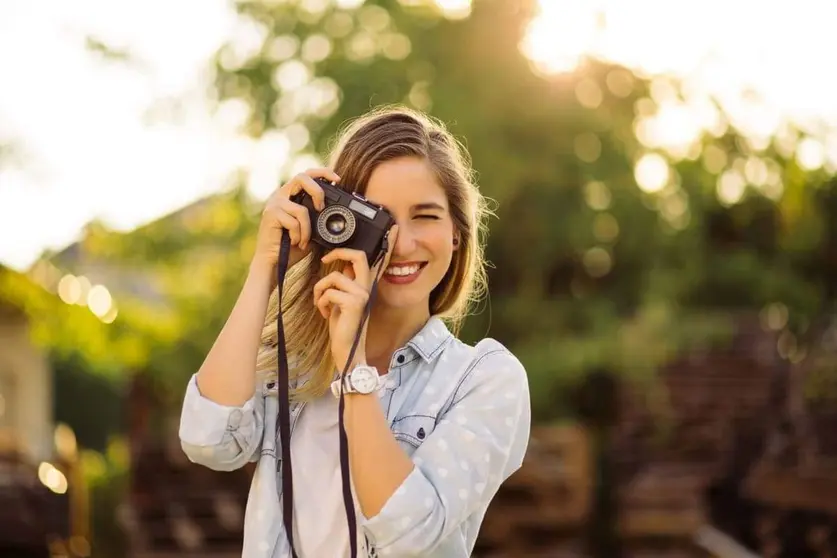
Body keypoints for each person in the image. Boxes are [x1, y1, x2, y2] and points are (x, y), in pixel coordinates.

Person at [178, 106, 531, 557]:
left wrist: (353, 369)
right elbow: (208, 439)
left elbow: (409, 531)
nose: (401, 244)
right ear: (339, 225)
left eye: (425, 216)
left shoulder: (483, 378)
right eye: (379, 219)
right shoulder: (295, 364)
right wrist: (266, 267)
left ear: (457, 234)